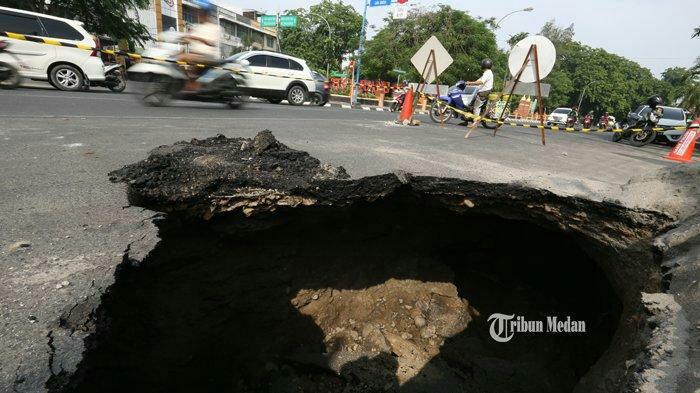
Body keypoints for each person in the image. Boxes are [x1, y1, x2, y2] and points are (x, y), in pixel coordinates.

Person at [177, 0, 221, 79]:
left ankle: (191, 80)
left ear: (206, 14)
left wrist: (195, 38)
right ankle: (187, 80)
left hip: (208, 57)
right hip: (196, 56)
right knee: (176, 57)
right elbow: (187, 40)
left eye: (201, 12)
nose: (198, 14)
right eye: (198, 12)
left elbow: (210, 43)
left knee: (182, 58)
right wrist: (183, 39)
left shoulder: (214, 27)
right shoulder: (197, 27)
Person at [465, 58, 494, 132]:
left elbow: (481, 82)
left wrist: (470, 83)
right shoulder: (487, 72)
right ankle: (467, 119)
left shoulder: (487, 73)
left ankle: (475, 123)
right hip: (483, 91)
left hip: (483, 92)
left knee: (476, 107)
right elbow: (478, 80)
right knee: (472, 103)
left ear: (484, 65)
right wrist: (470, 83)